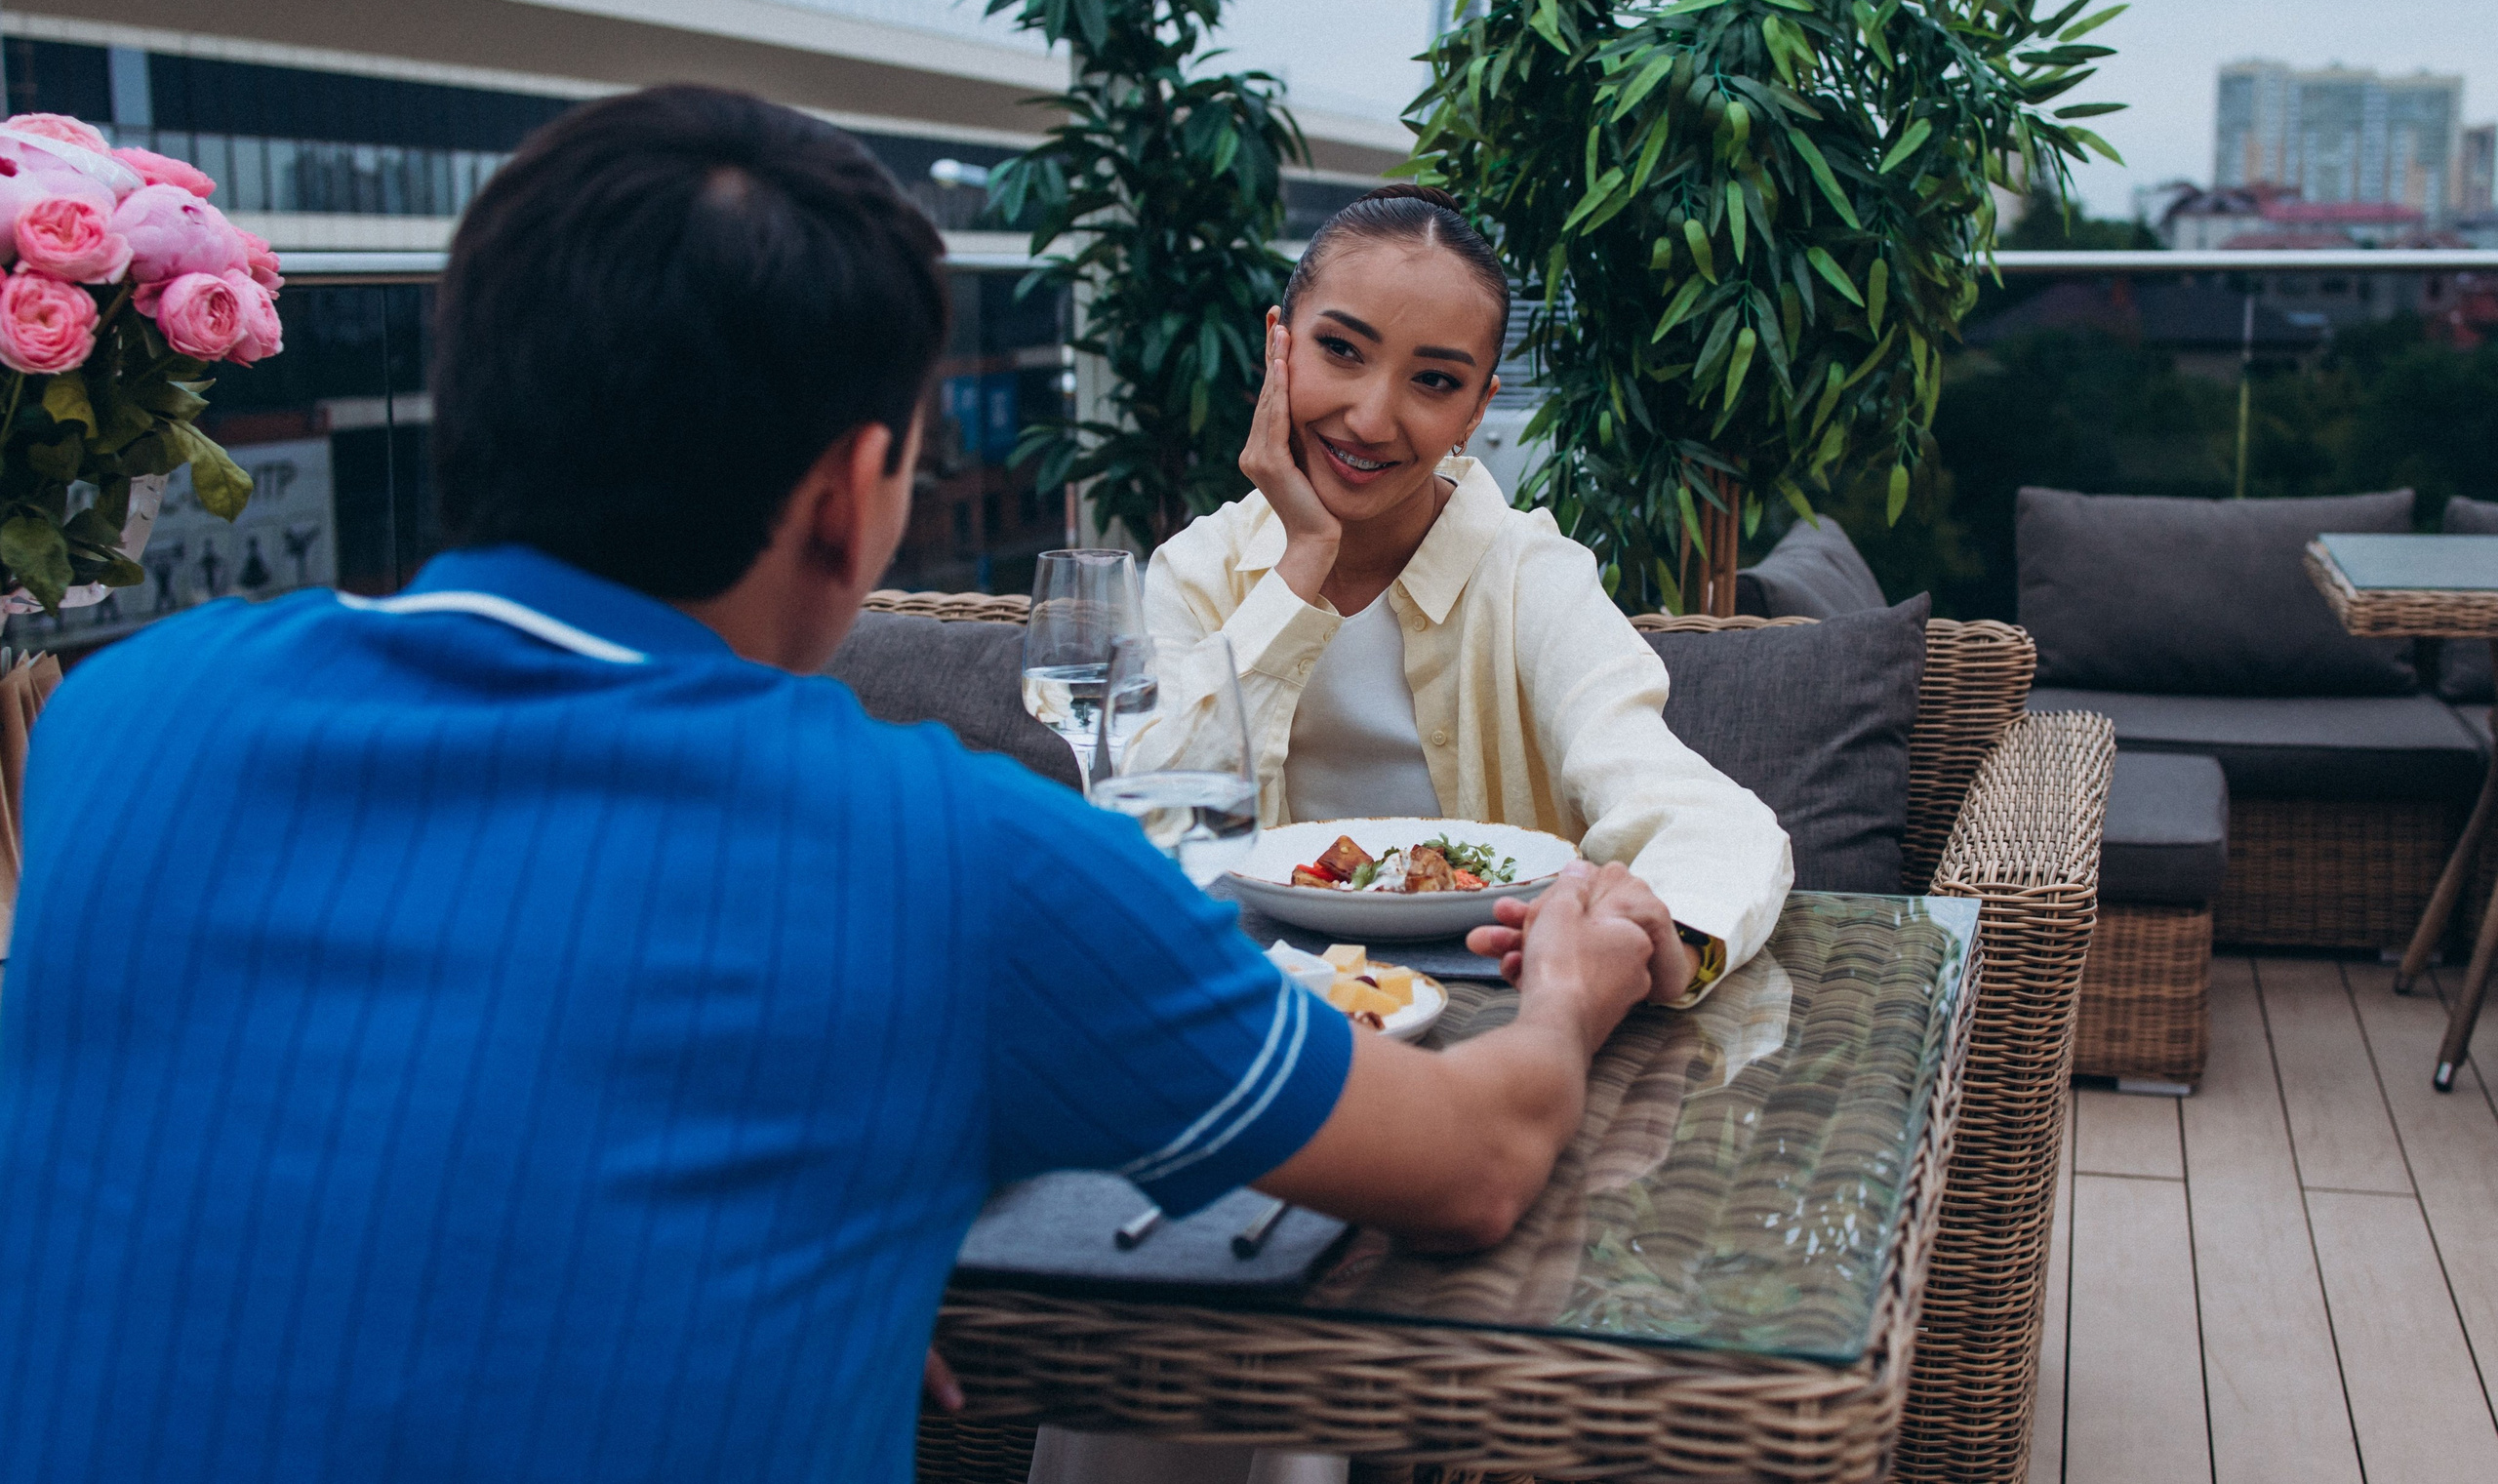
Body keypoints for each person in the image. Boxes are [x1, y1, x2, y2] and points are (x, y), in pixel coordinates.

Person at [0, 88, 1683, 1484]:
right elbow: (1471, 1159)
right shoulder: (959, 866)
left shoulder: (113, 726)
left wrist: (834, 1243)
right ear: (855, 495)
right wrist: (1573, 988)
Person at [1134, 184, 1794, 1008]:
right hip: (1246, 1015)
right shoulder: (1195, 573)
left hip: (1503, 1026)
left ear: (1478, 408)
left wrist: (1668, 944)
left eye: (1435, 380)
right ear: (1280, 346)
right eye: (1341, 350)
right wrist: (1304, 558)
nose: (1372, 419)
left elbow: (1705, 816)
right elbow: (1145, 824)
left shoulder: (1531, 576)